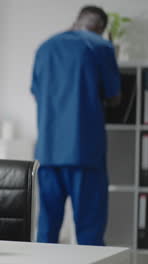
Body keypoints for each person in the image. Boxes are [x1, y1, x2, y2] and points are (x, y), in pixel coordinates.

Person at [31, 6, 121, 245]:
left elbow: (37, 93)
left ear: (77, 21)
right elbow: (114, 97)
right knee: (89, 232)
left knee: (47, 230)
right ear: (101, 28)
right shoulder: (101, 47)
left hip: (48, 154)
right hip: (85, 153)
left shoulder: (45, 48)